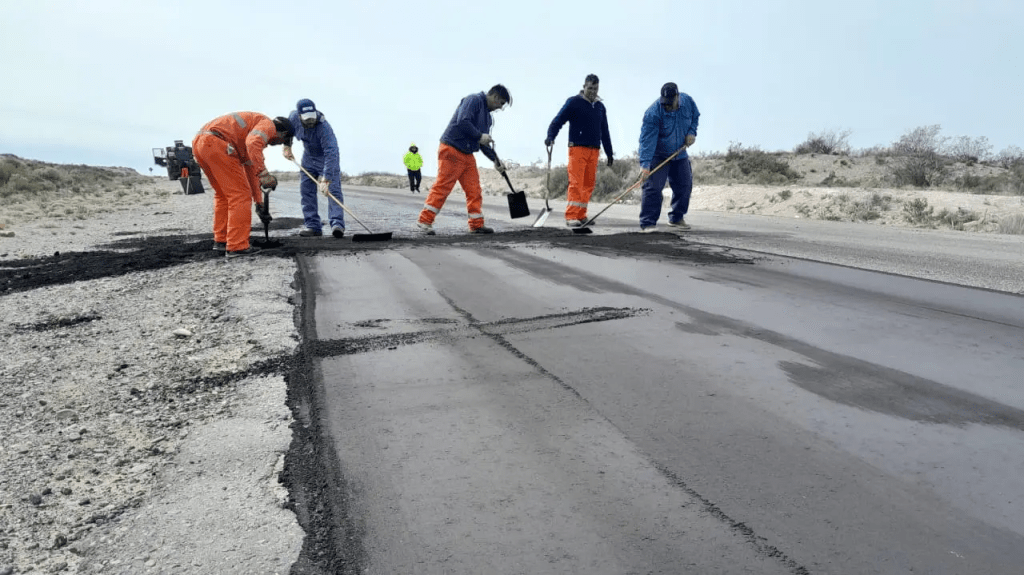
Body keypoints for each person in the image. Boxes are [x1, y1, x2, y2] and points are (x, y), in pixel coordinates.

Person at [192, 112, 292, 258]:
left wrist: (259, 203)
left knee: (223, 195)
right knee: (240, 196)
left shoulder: (248, 133)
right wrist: (264, 174)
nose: (278, 144)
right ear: (283, 133)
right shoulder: (268, 125)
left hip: (201, 144)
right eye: (282, 141)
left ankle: (222, 241)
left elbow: (251, 171)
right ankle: (237, 246)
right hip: (217, 144)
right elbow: (253, 144)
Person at [417, 85, 511, 235]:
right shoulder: (473, 100)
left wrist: (496, 160)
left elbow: (483, 143)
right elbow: (462, 121)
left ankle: (476, 225)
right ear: (495, 97)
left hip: (467, 154)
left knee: (474, 190)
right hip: (452, 149)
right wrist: (479, 136)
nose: (500, 107)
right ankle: (424, 221)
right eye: (501, 103)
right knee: (443, 187)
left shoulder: (488, 118)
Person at [545, 74, 614, 227]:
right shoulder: (574, 102)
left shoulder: (600, 107)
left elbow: (605, 131)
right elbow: (558, 120)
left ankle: (581, 215)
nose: (593, 91)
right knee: (576, 183)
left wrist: (609, 153)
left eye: (595, 89)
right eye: (590, 88)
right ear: (584, 87)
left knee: (588, 184)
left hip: (594, 150)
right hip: (577, 148)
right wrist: (551, 136)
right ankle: (571, 216)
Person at [638, 82, 700, 232]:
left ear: (677, 97)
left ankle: (676, 218)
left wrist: (692, 132)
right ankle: (648, 223)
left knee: (685, 185)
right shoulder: (653, 113)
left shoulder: (688, 102)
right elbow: (647, 140)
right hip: (658, 155)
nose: (667, 106)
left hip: (679, 153)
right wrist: (645, 165)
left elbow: (695, 116)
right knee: (653, 188)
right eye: (664, 103)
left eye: (670, 103)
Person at [282, 99, 346, 238]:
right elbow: (288, 130)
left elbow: (332, 153)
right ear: (299, 116)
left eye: (312, 117)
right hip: (308, 158)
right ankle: (313, 226)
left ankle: (337, 225)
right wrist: (287, 146)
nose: (311, 121)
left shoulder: (324, 128)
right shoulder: (293, 117)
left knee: (333, 192)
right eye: (307, 119)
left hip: (325, 159)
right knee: (306, 191)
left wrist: (326, 179)